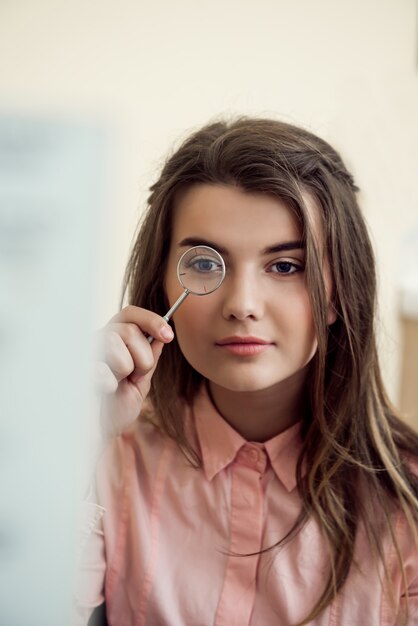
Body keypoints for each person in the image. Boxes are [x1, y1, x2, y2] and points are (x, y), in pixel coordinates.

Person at [75, 118, 418, 626]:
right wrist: (77, 443)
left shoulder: (407, 504)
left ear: (338, 293)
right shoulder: (108, 459)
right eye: (206, 264)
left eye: (285, 267)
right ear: (161, 286)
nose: (242, 305)